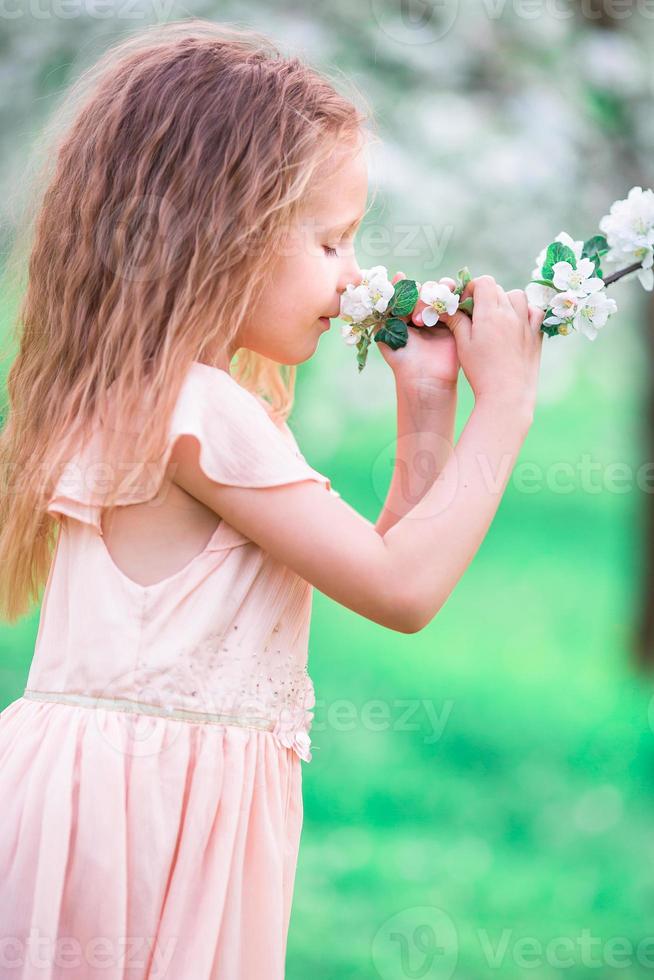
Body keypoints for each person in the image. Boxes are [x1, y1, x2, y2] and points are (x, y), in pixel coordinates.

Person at [0, 17, 544, 980]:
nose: (351, 274)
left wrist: (424, 403)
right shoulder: (206, 413)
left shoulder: (147, 392)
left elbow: (374, 562)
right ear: (225, 235)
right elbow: (402, 592)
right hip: (151, 817)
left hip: (112, 800)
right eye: (329, 241)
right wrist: (506, 406)